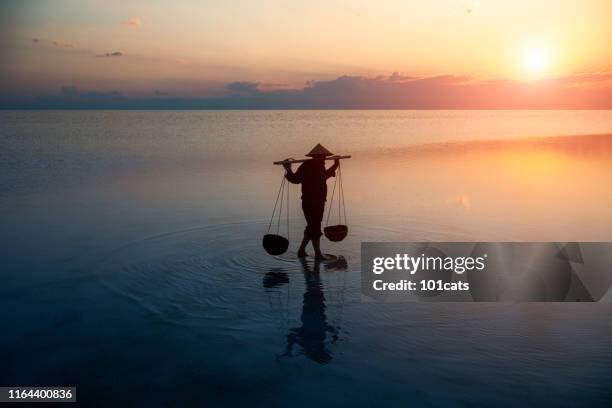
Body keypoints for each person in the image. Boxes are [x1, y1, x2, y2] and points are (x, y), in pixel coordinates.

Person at [283, 144, 339, 260]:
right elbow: (296, 179)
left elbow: (324, 176)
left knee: (312, 226)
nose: (324, 159)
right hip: (311, 203)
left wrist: (335, 165)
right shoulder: (309, 166)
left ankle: (301, 250)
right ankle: (318, 254)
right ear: (317, 157)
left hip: (317, 202)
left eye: (324, 156)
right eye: (322, 156)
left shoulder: (317, 166)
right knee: (315, 226)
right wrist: (288, 170)